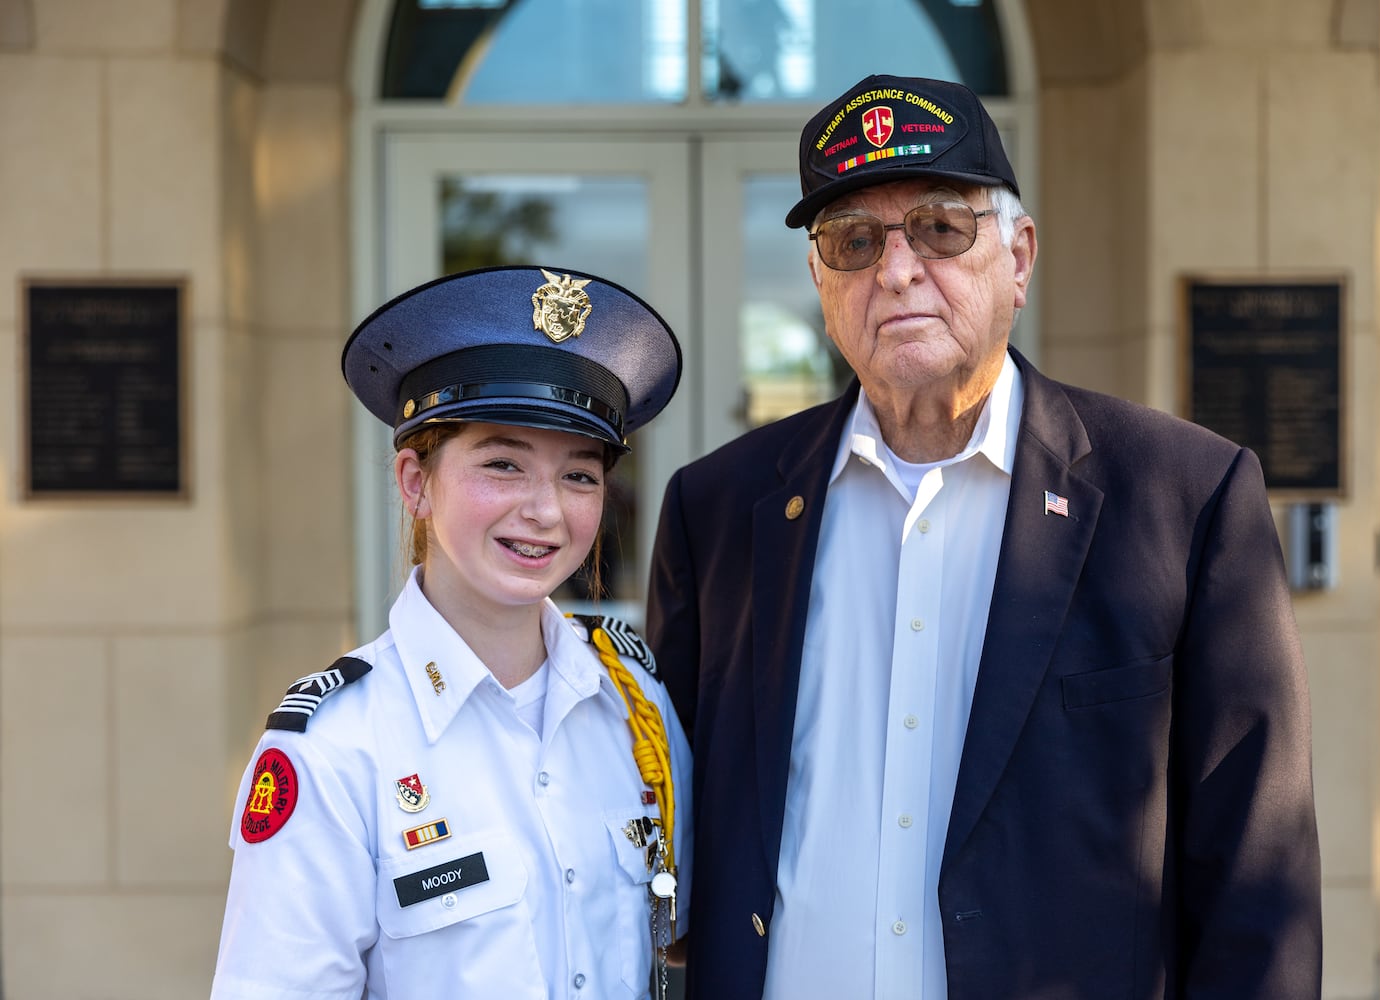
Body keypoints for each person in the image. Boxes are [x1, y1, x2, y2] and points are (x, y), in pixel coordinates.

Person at [647, 74, 1321, 999]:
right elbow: (671, 829)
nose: (896, 270)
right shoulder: (716, 509)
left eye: (940, 227)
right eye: (854, 241)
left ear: (1020, 257)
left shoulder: (1183, 498)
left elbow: (1257, 885)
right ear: (819, 279)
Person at [212, 266, 692, 1000]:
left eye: (580, 476)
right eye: (503, 464)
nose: (546, 512)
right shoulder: (335, 750)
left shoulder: (636, 707)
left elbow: (678, 946)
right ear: (415, 482)